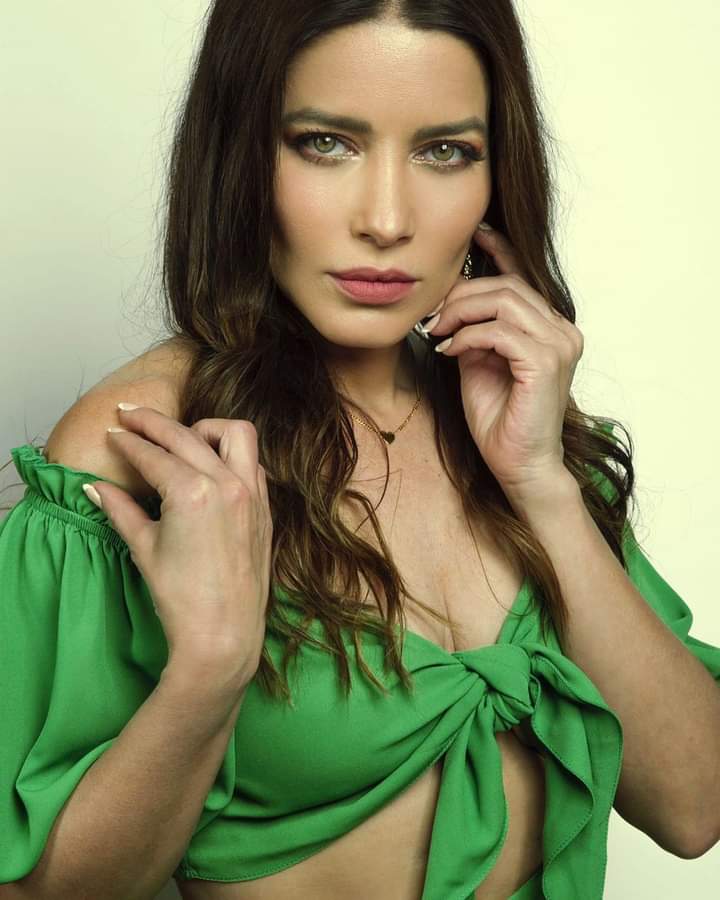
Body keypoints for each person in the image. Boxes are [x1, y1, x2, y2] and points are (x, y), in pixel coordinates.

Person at [2, 2, 719, 898]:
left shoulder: (512, 417)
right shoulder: (142, 448)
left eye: (444, 151)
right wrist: (210, 668)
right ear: (239, 157)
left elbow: (693, 807)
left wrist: (541, 483)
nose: (387, 219)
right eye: (325, 144)